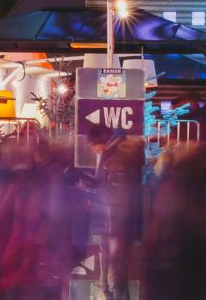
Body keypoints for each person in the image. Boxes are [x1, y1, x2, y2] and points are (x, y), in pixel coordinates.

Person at [86, 122, 145, 300]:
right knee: (118, 274)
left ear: (103, 141)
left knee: (117, 274)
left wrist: (93, 190)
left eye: (93, 145)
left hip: (116, 223)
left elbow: (118, 194)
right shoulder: (115, 153)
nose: (92, 150)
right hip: (115, 221)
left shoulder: (117, 157)